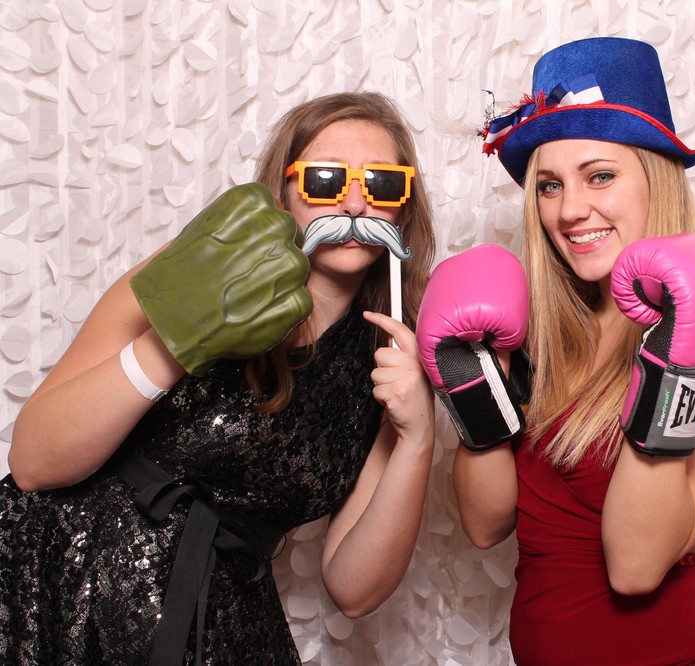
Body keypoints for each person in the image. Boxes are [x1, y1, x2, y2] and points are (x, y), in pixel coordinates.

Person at [1, 91, 437, 665]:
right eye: (325, 179)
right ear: (284, 194)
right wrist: (180, 339)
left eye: (381, 183)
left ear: (404, 209)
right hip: (51, 591)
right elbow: (33, 462)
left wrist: (417, 436)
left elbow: (355, 591)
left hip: (217, 634)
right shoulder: (197, 267)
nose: (355, 203)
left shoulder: (392, 362)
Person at [429, 37, 695, 665]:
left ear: (655, 179)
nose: (570, 210)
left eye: (601, 176)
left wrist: (677, 358)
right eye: (549, 186)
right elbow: (485, 525)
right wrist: (468, 376)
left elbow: (637, 566)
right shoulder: (533, 329)